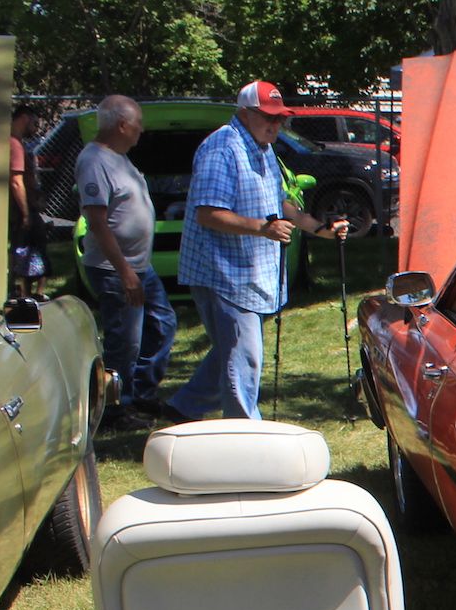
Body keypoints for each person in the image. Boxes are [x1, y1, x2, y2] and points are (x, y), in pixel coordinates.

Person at [168, 80, 348, 422]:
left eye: (280, 118)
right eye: (268, 116)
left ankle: (185, 406)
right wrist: (263, 228)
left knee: (232, 350)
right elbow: (208, 213)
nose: (276, 124)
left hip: (251, 272)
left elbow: (280, 204)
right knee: (244, 357)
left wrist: (319, 229)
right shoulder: (221, 149)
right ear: (245, 113)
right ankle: (245, 429)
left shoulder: (264, 148)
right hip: (222, 272)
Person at [78, 95, 177, 434]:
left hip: (139, 266)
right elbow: (97, 223)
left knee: (162, 325)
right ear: (122, 125)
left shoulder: (119, 158)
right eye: (138, 124)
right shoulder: (94, 161)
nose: (141, 130)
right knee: (124, 342)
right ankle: (112, 410)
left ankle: (141, 395)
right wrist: (124, 273)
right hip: (115, 269)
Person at [7, 105, 46, 298]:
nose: (37, 129)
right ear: (24, 118)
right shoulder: (14, 144)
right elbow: (16, 181)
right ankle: (20, 292)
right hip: (19, 209)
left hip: (24, 207)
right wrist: (25, 213)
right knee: (26, 250)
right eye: (35, 123)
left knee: (20, 249)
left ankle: (16, 289)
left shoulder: (16, 143)